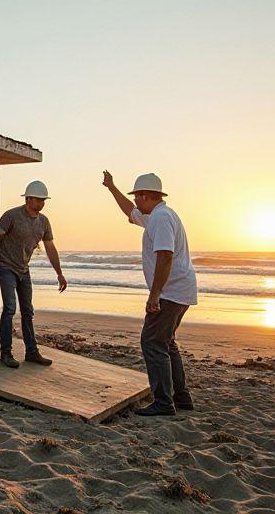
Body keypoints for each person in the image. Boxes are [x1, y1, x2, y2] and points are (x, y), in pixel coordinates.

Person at [102, 171, 198, 416]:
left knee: (152, 342)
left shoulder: (161, 218)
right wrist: (111, 187)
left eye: (136, 196)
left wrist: (154, 295)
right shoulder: (156, 215)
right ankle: (181, 398)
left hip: (171, 291)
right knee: (166, 342)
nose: (134, 201)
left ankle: (164, 402)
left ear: (145, 196)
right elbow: (130, 212)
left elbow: (165, 256)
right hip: (179, 289)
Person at [0, 180, 67, 368]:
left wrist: (59, 274)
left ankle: (31, 352)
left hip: (24, 269)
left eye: (43, 200)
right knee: (10, 308)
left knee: (28, 310)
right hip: (6, 267)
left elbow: (50, 248)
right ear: (28, 199)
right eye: (38, 199)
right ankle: (6, 353)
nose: (42, 203)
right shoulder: (11, 216)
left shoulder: (43, 221)